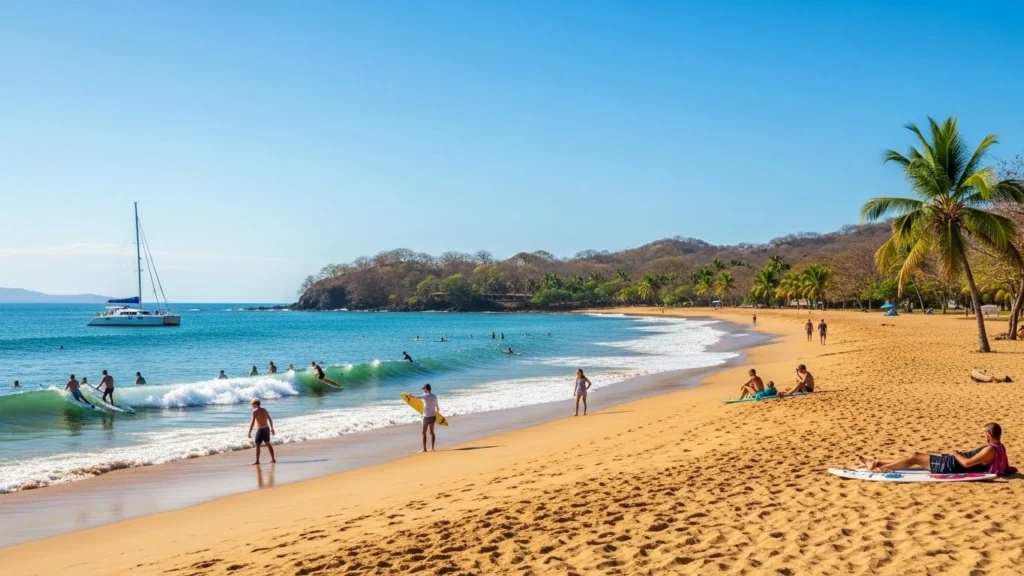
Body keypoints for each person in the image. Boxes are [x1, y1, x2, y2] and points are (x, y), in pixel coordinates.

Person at [861, 423, 1012, 476]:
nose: (984, 435)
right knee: (915, 456)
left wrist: (956, 453)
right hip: (951, 463)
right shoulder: (1000, 448)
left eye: (985, 433)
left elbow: (967, 464)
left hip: (950, 466)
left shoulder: (990, 450)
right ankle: (876, 462)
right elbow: (1002, 466)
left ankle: (879, 469)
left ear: (989, 434)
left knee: (915, 456)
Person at [409, 384, 440, 452]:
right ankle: (432, 448)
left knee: (423, 433)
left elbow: (416, 397)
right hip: (433, 416)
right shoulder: (434, 396)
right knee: (432, 432)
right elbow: (437, 406)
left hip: (426, 417)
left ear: (426, 389)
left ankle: (424, 449)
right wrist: (437, 414)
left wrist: (410, 395)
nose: (423, 390)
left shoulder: (425, 396)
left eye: (423, 389)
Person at [247, 399, 276, 465]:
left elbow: (252, 422)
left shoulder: (254, 411)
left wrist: (249, 432)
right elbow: (270, 419)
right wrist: (272, 428)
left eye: (252, 404)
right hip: (266, 429)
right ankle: (273, 459)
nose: (252, 406)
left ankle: (257, 461)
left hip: (260, 430)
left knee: (257, 445)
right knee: (268, 444)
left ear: (256, 404)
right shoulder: (264, 410)